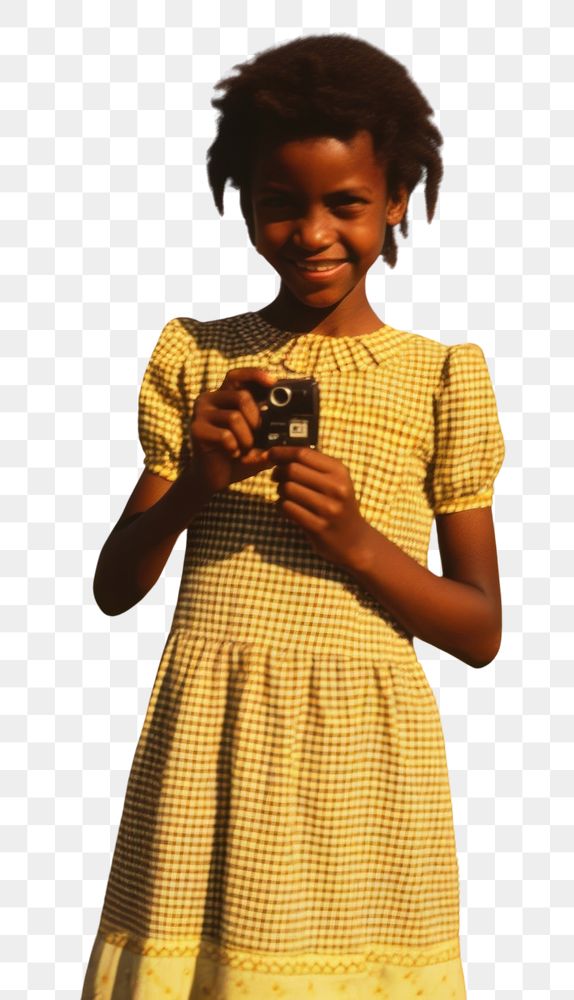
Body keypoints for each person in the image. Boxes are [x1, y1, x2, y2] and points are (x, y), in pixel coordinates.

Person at [81, 33, 505, 1000]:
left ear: (397, 201)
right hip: (208, 741)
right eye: (280, 204)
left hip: (364, 756)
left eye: (347, 204)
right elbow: (114, 588)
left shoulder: (441, 377)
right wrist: (197, 482)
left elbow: (481, 630)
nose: (312, 232)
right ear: (244, 203)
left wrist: (357, 540)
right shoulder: (197, 358)